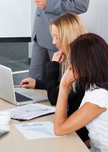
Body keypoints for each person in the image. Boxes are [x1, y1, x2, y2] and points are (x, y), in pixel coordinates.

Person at [54, 33, 108, 151]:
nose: (71, 65)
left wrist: (64, 85)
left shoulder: (101, 95)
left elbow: (59, 129)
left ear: (85, 63)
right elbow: (101, 134)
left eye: (74, 61)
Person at [20, 12, 89, 142]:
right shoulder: (81, 59)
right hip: (74, 127)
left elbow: (55, 98)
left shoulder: (82, 68)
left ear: (69, 37)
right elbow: (63, 87)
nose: (53, 42)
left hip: (80, 136)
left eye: (56, 37)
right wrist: (38, 83)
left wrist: (52, 65)